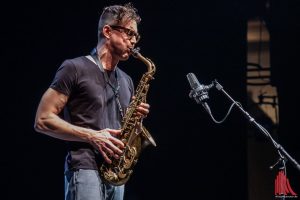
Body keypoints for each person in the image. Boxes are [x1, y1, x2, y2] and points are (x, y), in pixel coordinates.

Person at [34, 3, 150, 200]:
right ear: (107, 31)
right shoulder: (74, 68)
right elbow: (42, 119)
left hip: (116, 173)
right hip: (85, 168)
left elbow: (122, 128)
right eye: (129, 33)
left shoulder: (127, 80)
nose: (133, 41)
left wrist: (136, 119)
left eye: (136, 36)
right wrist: (93, 136)